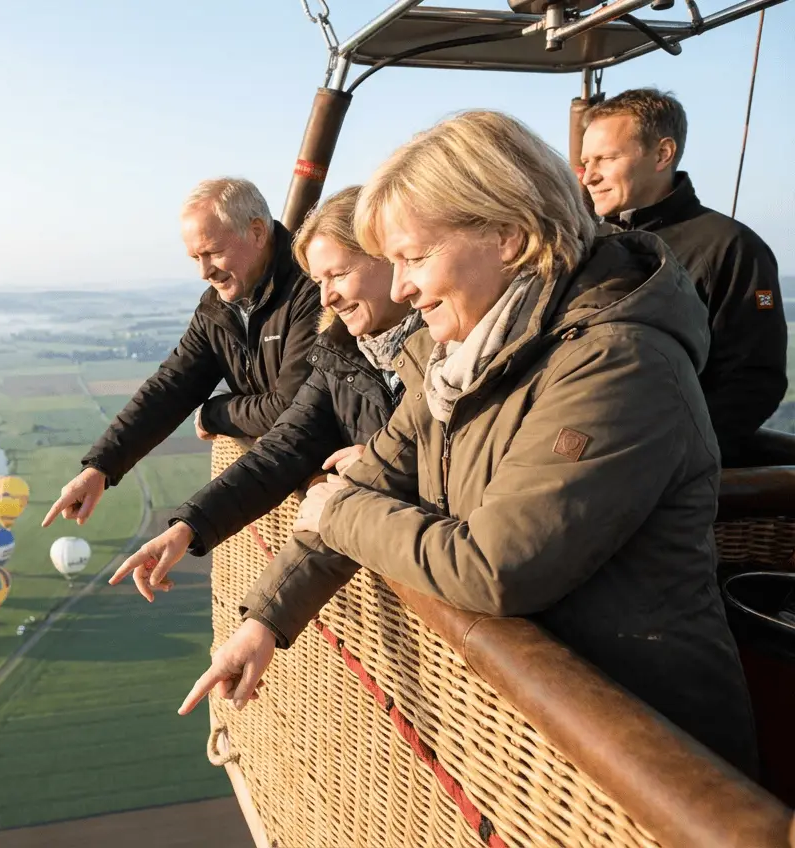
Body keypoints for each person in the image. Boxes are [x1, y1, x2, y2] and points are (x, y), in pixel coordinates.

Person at [180, 110, 759, 778]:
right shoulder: (461, 357)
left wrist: (335, 511)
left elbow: (496, 566)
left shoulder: (618, 364)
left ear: (508, 236)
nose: (400, 288)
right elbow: (379, 474)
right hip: (542, 750)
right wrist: (266, 621)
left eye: (414, 257)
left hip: (655, 763)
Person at [108, 185, 420, 605]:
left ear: (390, 259)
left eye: (338, 274)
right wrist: (189, 527)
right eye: (319, 280)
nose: (326, 296)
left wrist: (382, 463)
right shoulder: (340, 350)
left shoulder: (445, 354)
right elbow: (282, 447)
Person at [42, 178, 321, 529]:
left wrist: (216, 413)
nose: (204, 272)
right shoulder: (218, 307)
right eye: (195, 258)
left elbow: (291, 407)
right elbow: (172, 386)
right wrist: (100, 467)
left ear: (257, 233)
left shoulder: (312, 289)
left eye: (213, 252)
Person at [581, 87, 786, 467]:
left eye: (606, 159)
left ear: (662, 154)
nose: (590, 176)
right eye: (585, 162)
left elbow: (754, 382)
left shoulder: (731, 246)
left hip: (661, 473)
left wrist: (669, 458)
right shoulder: (585, 243)